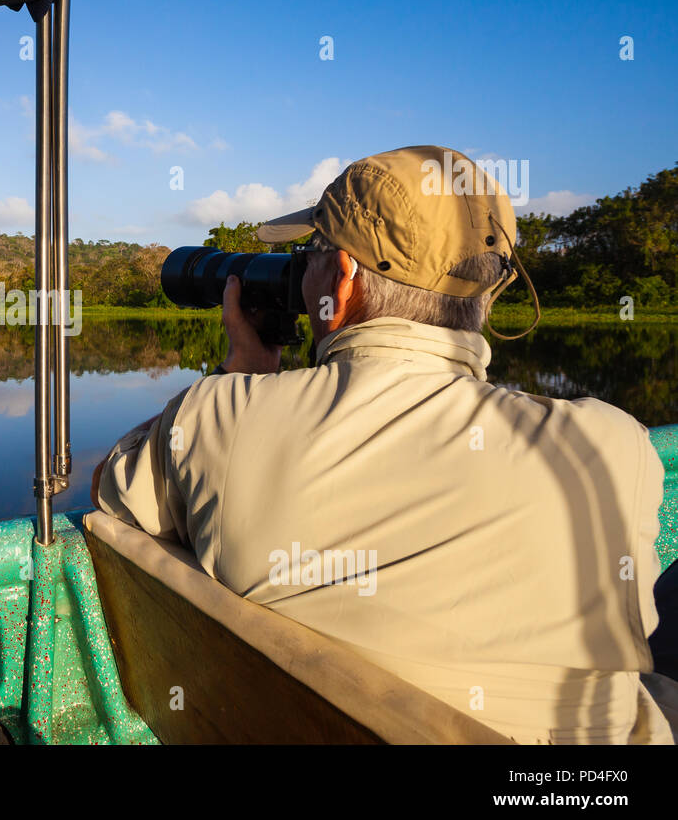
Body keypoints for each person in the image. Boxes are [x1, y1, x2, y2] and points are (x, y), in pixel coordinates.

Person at [90, 145, 675, 744]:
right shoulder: (608, 447)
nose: (297, 270)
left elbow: (109, 493)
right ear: (489, 295)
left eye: (310, 254)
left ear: (341, 280)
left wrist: (240, 378)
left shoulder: (216, 419)